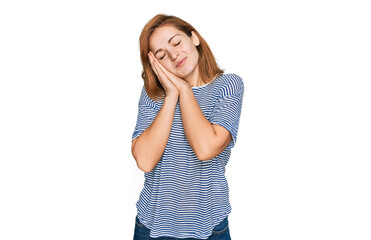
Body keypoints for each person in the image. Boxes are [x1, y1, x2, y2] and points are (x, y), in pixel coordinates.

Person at [131, 14, 244, 240]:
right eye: (162, 55)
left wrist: (184, 90)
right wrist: (172, 94)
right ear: (155, 64)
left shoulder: (228, 86)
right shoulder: (153, 94)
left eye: (176, 42)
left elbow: (205, 148)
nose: (174, 55)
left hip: (209, 226)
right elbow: (144, 160)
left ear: (194, 38)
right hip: (152, 226)